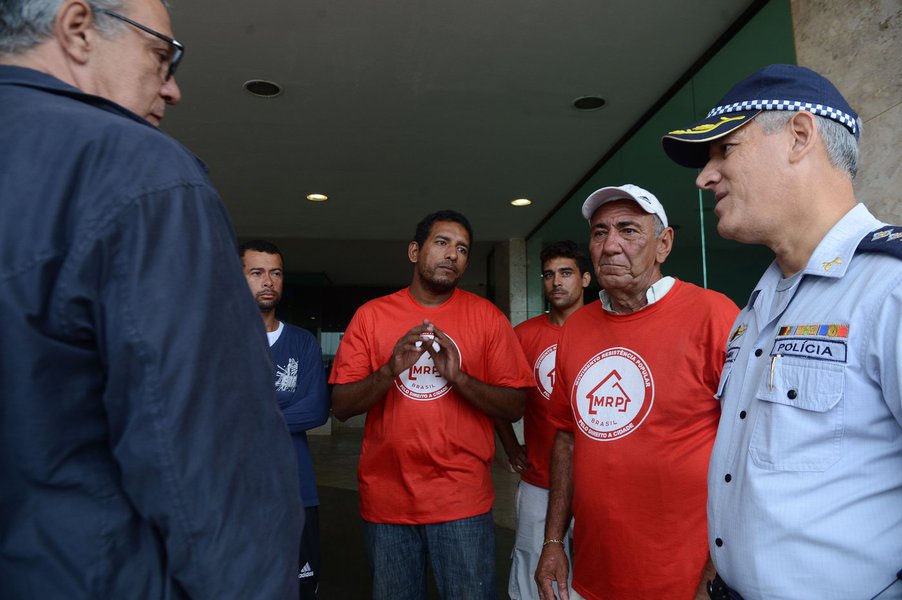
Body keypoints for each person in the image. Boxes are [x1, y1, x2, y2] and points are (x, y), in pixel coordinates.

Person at [0, 1, 302, 598]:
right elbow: (213, 471)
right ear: (77, 28)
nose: (172, 89)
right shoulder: (142, 174)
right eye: (161, 55)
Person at [662, 64, 902, 600]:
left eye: (725, 150)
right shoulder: (759, 304)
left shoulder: (889, 288)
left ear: (798, 136)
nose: (705, 176)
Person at [535, 184, 739, 600]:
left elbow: (751, 446)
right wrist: (553, 542)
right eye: (598, 232)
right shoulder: (577, 328)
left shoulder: (714, 314)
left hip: (688, 577)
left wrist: (720, 568)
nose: (610, 246)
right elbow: (566, 439)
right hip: (597, 572)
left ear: (663, 244)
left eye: (628, 230)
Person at [329, 209, 534, 599]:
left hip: (462, 502)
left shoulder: (487, 318)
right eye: (441, 243)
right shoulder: (371, 317)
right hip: (387, 502)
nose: (452, 255)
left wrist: (459, 378)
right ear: (414, 251)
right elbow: (341, 405)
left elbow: (515, 405)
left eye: (462, 249)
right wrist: (390, 370)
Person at [496, 241, 591, 600]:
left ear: (584, 278)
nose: (556, 282)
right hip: (539, 477)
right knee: (532, 563)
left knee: (590, 567)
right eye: (549, 275)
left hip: (594, 478)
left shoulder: (606, 327)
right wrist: (509, 445)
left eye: (566, 273)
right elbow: (499, 398)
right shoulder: (524, 336)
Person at [240, 240, 331, 599]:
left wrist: (249, 415)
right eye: (257, 272)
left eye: (275, 273)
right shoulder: (217, 341)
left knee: (298, 589)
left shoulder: (303, 342)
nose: (268, 281)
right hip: (234, 492)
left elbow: (316, 409)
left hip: (296, 489)